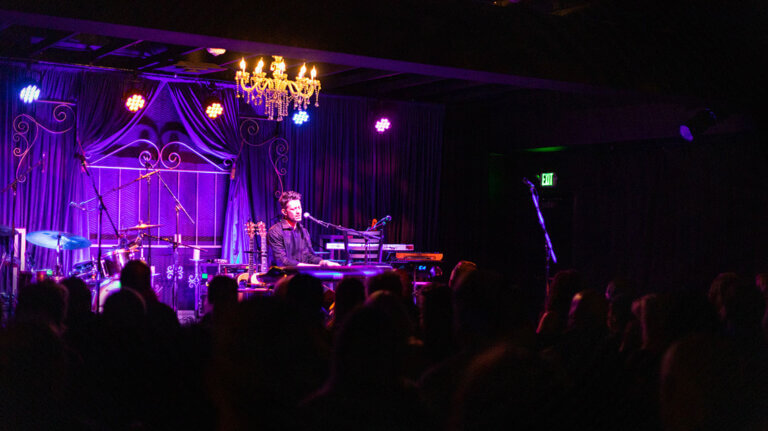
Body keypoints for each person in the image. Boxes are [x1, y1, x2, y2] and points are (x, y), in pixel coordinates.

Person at [267, 191, 339, 267]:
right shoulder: (275, 232)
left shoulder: (303, 231)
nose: (298, 211)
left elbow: (309, 256)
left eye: (299, 207)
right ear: (284, 212)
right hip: (282, 277)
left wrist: (324, 263)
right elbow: (282, 261)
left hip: (301, 275)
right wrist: (312, 267)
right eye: (293, 209)